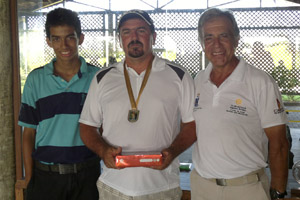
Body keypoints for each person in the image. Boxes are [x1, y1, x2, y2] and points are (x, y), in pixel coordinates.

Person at [79, 9, 196, 200]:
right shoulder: (103, 78)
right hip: (114, 187)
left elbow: (191, 125)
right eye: (126, 32)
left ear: (153, 36)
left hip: (161, 188)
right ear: (120, 40)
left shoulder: (178, 76)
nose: (133, 37)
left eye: (141, 30)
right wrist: (103, 151)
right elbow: (87, 126)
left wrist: (173, 151)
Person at [191, 8, 289, 200]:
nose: (216, 44)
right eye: (209, 37)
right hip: (202, 187)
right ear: (202, 43)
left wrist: (278, 192)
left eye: (224, 36)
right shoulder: (198, 80)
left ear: (236, 39)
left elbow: (280, 144)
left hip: (246, 189)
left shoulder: (260, 82)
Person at [18, 8, 100, 200]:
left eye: (70, 37)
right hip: (46, 178)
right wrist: (30, 178)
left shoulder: (98, 78)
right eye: (56, 38)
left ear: (80, 38)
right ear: (48, 41)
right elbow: (28, 132)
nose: (64, 45)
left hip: (87, 175)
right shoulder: (35, 80)